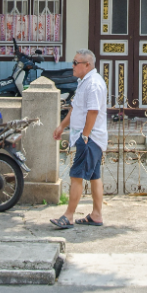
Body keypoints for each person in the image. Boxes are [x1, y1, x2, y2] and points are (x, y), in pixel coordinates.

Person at [51, 49, 108, 228]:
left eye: (76, 63)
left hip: (90, 138)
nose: (73, 66)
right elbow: (75, 108)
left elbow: (93, 111)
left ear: (87, 65)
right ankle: (96, 215)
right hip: (89, 137)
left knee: (76, 175)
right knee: (94, 176)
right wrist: (62, 126)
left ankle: (68, 216)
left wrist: (85, 135)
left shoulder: (93, 84)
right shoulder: (84, 82)